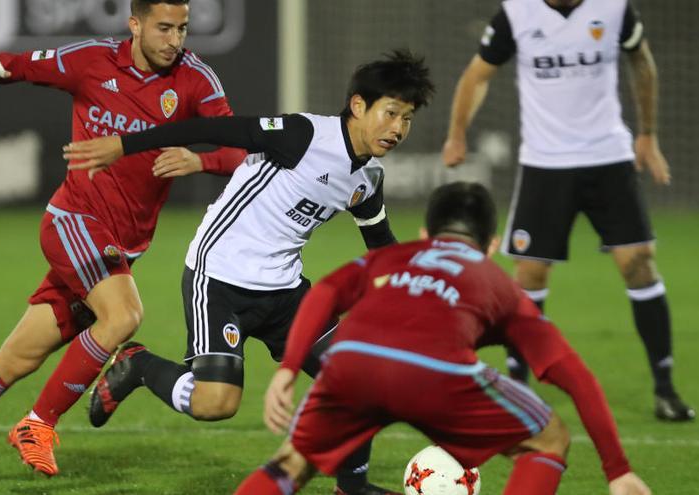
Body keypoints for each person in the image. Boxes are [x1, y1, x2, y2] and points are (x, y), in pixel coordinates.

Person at [0, 1, 247, 493]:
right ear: (134, 25)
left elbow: (241, 148)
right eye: (163, 28)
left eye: (182, 28)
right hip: (75, 221)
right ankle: (38, 423)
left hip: (120, 244)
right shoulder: (94, 60)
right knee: (123, 316)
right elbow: (30, 65)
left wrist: (200, 162)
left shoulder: (196, 80)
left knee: (16, 359)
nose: (174, 39)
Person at [63, 50, 435, 495]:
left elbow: (382, 248)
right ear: (359, 106)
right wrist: (124, 145)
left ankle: (351, 489)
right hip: (220, 278)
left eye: (407, 119)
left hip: (285, 295)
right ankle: (139, 365)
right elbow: (211, 129)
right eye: (391, 113)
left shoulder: (367, 179)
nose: (398, 129)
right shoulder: (303, 134)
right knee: (215, 404)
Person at [233, 181, 652, 495]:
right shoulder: (501, 286)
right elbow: (574, 375)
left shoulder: (389, 256)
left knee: (291, 464)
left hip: (352, 364)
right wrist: (617, 469)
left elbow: (324, 292)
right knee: (549, 437)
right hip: (436, 373)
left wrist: (289, 368)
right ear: (491, 245)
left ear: (424, 235)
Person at [441, 0, 694, 421]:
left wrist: (647, 134)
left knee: (639, 266)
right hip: (545, 164)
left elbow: (642, 61)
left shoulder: (613, 8)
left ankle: (665, 388)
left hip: (608, 159)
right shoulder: (516, 14)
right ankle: (517, 390)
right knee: (530, 274)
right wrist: (456, 134)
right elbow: (477, 75)